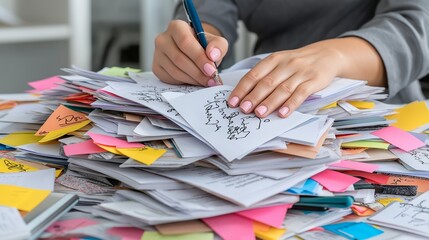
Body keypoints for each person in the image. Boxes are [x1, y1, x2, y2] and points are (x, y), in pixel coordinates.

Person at [152, 0, 429, 118]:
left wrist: (336, 56)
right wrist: (193, 46)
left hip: (375, 111)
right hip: (262, 114)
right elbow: (209, 11)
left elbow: (416, 25)